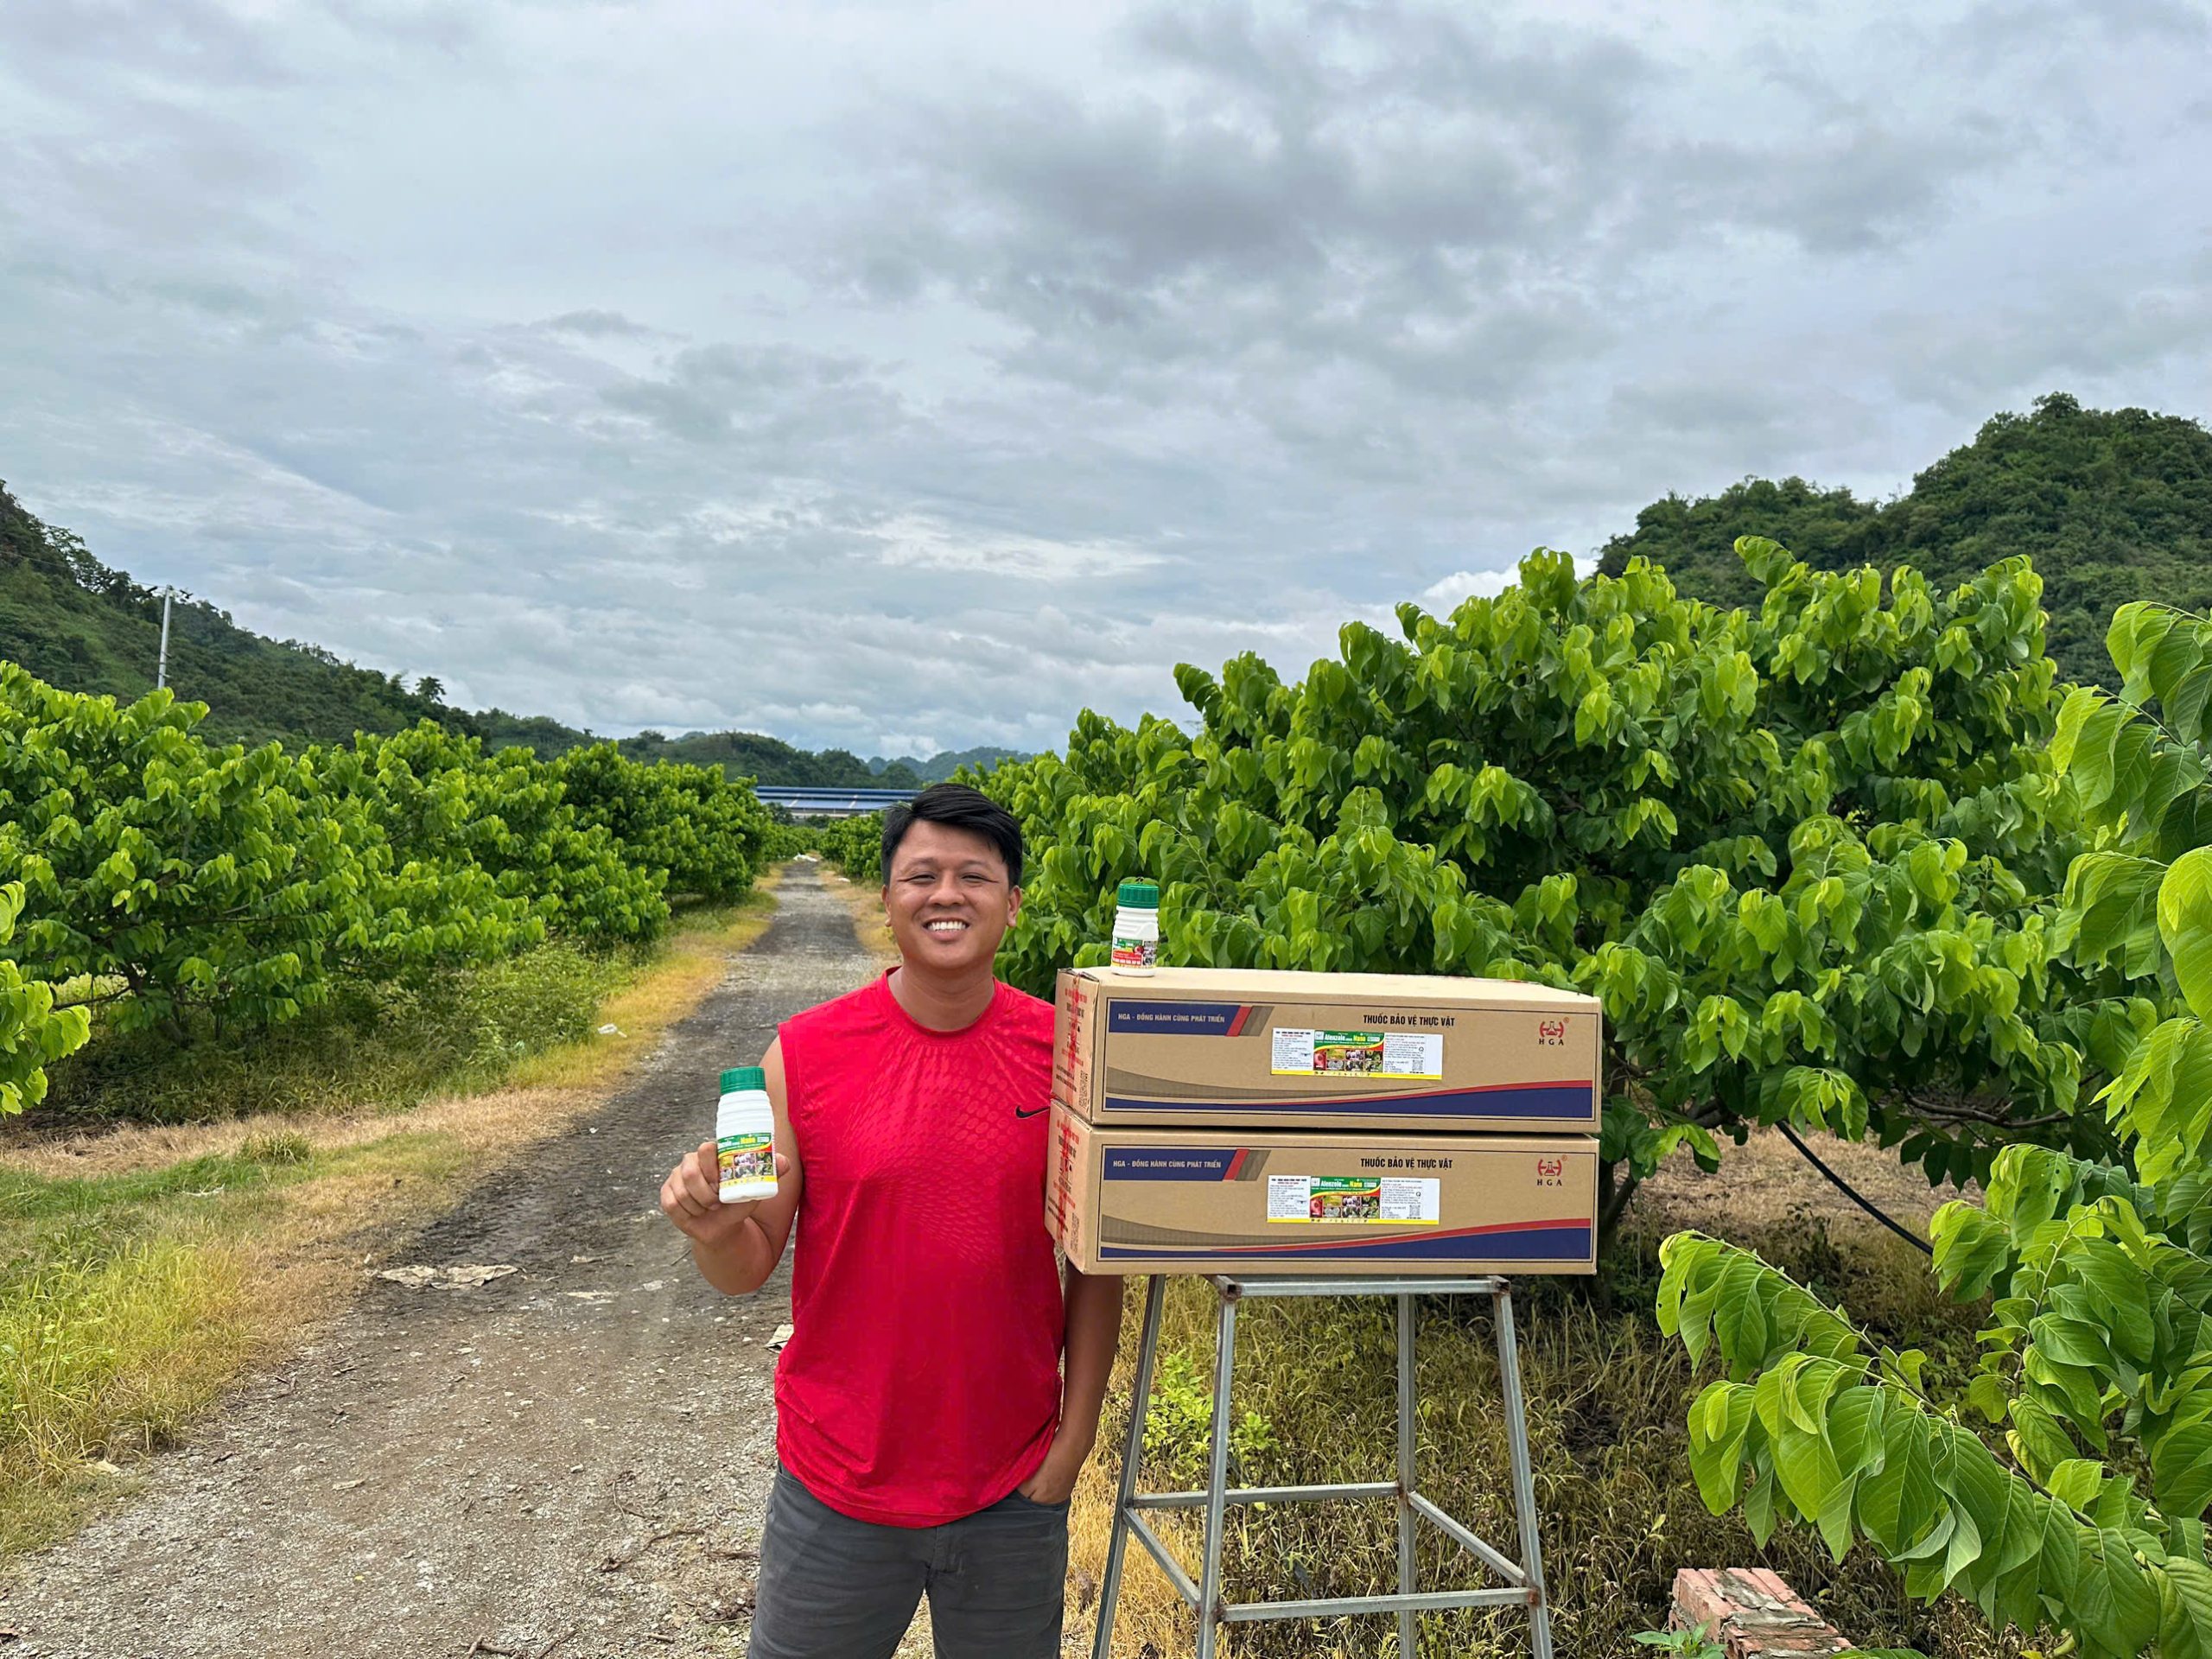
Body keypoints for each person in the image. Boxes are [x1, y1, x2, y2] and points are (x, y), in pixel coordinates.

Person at [658, 782, 1123, 1659]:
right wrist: (713, 1228)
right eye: (922, 875)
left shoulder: (1069, 1056)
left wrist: (1074, 1442)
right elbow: (748, 1263)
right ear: (886, 898)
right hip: (836, 1486)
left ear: (1013, 904)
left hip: (1008, 1487)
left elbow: (1097, 1262)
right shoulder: (803, 1054)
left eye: (974, 876)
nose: (947, 894)